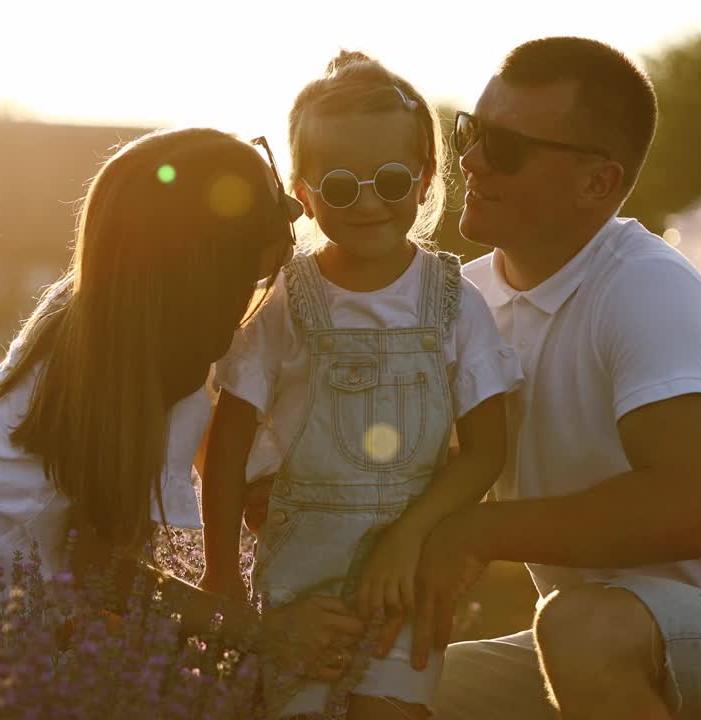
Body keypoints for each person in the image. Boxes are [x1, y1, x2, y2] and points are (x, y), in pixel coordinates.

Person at [0, 127, 365, 682]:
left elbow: (208, 450)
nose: (290, 231)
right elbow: (100, 575)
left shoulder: (98, 307)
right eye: (274, 219)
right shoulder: (150, 366)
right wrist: (261, 635)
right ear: (218, 261)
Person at [412, 37, 701, 719]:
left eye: (505, 146)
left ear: (596, 183)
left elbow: (687, 511)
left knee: (578, 627)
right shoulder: (463, 300)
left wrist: (476, 534)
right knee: (392, 689)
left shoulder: (644, 286)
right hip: (592, 642)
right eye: (471, 130)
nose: (471, 160)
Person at [199, 52, 521, 719]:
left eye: (392, 181)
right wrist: (222, 570)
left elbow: (488, 450)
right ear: (304, 190)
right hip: (299, 576)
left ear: (426, 180)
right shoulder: (287, 302)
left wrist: (412, 537)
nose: (369, 204)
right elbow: (226, 446)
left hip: (404, 579)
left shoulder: (456, 302)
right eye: (341, 188)